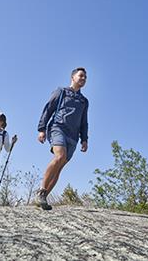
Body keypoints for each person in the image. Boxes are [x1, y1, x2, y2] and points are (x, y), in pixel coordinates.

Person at [36, 67, 89, 210]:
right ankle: (41, 190)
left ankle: (44, 198)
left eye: (85, 77)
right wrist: (41, 129)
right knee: (60, 156)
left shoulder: (84, 101)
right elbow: (48, 109)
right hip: (57, 128)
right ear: (73, 77)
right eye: (81, 76)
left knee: (60, 167)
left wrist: (84, 139)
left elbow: (84, 122)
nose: (83, 79)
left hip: (73, 136)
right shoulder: (61, 91)